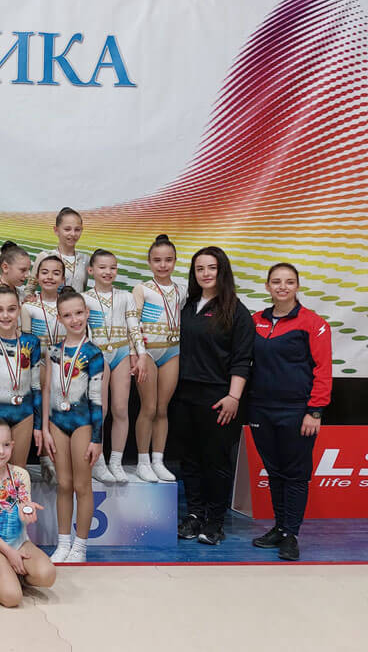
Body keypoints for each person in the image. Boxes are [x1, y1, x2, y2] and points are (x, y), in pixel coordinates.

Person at [248, 263, 332, 560]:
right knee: (274, 472)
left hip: (298, 411)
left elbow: (323, 370)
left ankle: (291, 535)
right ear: (267, 286)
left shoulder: (313, 323)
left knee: (295, 475)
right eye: (276, 281)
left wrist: (315, 411)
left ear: (297, 286)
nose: (282, 287)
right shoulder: (255, 321)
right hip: (260, 409)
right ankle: (280, 528)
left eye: (289, 281)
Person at [176, 246, 255, 545]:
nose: (206, 273)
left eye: (212, 267)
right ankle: (194, 515)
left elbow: (242, 359)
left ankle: (215, 522)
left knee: (216, 462)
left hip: (219, 398)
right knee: (190, 460)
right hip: (184, 395)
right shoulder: (188, 306)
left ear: (222, 271)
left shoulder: (236, 311)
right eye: (200, 268)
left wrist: (233, 397)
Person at [46, 287, 104, 563]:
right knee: (64, 484)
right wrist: (44, 428)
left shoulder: (93, 353)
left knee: (82, 485)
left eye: (79, 313)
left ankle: (80, 546)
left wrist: (97, 438)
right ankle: (63, 543)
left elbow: (97, 400)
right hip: (57, 422)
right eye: (67, 315)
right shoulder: (53, 352)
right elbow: (47, 391)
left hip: (82, 422)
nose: (74, 320)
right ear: (59, 318)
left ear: (87, 313)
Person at [0, 414, 56, 606]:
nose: (1, 451)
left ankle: (14, 577)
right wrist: (8, 552)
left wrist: (26, 511)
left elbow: (25, 506)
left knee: (48, 575)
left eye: (6, 445)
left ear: (12, 445)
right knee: (12, 598)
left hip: (21, 542)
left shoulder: (20, 474)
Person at [82, 249, 147, 484]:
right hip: (97, 354)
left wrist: (140, 354)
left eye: (113, 267)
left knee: (121, 409)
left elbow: (133, 326)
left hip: (120, 353)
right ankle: (97, 462)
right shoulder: (84, 298)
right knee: (100, 410)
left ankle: (116, 462)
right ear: (91, 270)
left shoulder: (126, 296)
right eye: (102, 267)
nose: (108, 272)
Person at [132, 234, 185, 483]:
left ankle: (158, 460)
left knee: (163, 409)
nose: (163, 265)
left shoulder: (181, 290)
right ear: (149, 262)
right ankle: (142, 462)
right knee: (149, 407)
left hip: (172, 351)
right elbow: (133, 323)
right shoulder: (142, 289)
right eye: (157, 260)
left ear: (175, 261)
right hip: (148, 353)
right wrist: (138, 354)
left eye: (168, 260)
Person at [0, 284, 43, 468]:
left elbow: (36, 386)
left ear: (19, 309)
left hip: (24, 414)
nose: (5, 315)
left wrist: (38, 425)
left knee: (17, 472)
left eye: (11, 309)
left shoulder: (31, 342)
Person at [22, 254, 66, 483]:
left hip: (64, 365)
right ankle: (45, 457)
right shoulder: (28, 306)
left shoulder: (68, 304)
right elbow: (27, 344)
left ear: (63, 279)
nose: (50, 277)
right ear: (37, 276)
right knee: (42, 405)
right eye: (45, 272)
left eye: (56, 273)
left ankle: (59, 456)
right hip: (39, 364)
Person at [34, 208, 89, 291]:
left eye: (77, 229)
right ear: (56, 230)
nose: (73, 234)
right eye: (67, 229)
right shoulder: (44, 256)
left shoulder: (85, 259)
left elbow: (83, 290)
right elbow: (29, 289)